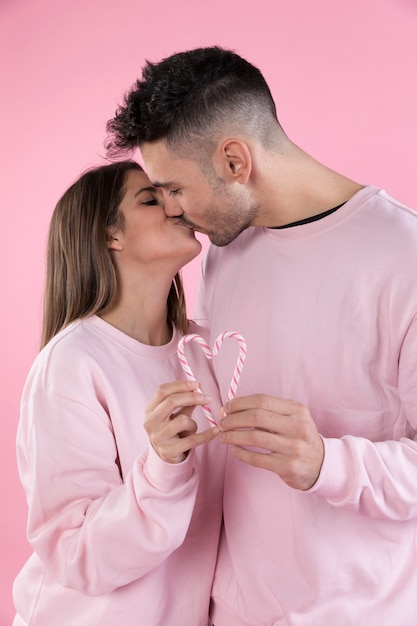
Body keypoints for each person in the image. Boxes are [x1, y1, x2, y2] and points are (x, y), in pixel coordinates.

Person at [104, 47, 417, 625]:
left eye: (173, 188)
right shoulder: (229, 244)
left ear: (234, 161)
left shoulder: (404, 260)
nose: (171, 211)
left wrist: (327, 461)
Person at [13, 160, 226, 626]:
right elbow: (74, 553)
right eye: (151, 199)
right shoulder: (71, 364)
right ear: (111, 236)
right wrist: (163, 467)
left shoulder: (206, 353)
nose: (174, 206)